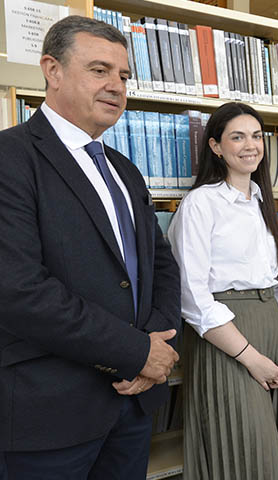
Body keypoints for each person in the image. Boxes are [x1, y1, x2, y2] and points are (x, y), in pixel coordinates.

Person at [0, 16, 181, 479]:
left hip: (133, 404)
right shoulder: (11, 158)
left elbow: (161, 266)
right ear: (52, 70)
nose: (116, 86)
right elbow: (18, 289)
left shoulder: (125, 169)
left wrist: (153, 350)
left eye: (123, 76)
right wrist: (136, 352)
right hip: (49, 413)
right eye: (99, 70)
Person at [168, 102, 278, 479]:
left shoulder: (261, 202)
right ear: (215, 147)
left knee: (274, 452)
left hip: (271, 333)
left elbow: (274, 288)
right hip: (229, 344)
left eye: (256, 136)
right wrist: (251, 358)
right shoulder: (200, 204)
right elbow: (193, 299)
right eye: (237, 137)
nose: (250, 145)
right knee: (251, 459)